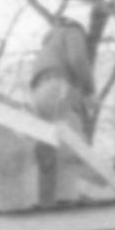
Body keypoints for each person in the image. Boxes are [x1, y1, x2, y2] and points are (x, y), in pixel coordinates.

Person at [23, 17, 95, 208]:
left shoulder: (48, 45)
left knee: (46, 145)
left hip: (39, 91)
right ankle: (67, 198)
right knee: (71, 141)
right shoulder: (72, 31)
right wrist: (89, 90)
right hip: (59, 85)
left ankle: (45, 199)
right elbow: (77, 59)